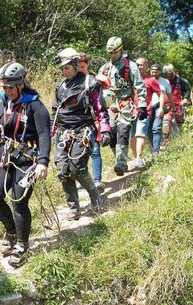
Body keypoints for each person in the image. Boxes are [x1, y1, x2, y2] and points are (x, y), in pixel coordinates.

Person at [0, 62, 51, 268]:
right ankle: (10, 230)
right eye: (4, 87)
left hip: (28, 160)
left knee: (19, 202)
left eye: (10, 87)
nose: (7, 91)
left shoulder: (35, 106)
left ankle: (22, 244)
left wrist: (43, 162)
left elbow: (44, 135)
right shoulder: (3, 104)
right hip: (6, 157)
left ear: (21, 84)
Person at [51, 48, 111, 219]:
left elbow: (101, 109)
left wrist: (105, 129)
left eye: (67, 68)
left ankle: (95, 197)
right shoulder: (60, 87)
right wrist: (47, 136)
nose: (64, 72)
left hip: (84, 131)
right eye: (62, 69)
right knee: (63, 169)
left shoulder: (90, 83)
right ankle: (73, 208)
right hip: (63, 133)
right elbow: (54, 114)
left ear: (76, 65)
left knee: (76, 168)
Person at [98, 36, 147, 176]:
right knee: (112, 136)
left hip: (126, 104)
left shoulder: (130, 66)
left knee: (123, 133)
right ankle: (120, 158)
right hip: (110, 106)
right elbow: (98, 90)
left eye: (114, 52)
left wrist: (142, 105)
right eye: (110, 53)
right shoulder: (105, 69)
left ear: (121, 50)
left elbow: (140, 86)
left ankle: (121, 163)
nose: (112, 55)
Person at [78, 52, 105, 193]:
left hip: (93, 121)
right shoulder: (72, 83)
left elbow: (101, 104)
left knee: (95, 150)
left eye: (82, 66)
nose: (80, 69)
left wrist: (102, 123)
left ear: (87, 65)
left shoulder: (94, 81)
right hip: (77, 123)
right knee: (82, 152)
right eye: (78, 67)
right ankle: (85, 180)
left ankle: (97, 180)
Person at [130, 58, 164, 167]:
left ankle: (139, 157)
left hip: (145, 111)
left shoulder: (150, 80)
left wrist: (161, 107)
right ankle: (137, 158)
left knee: (140, 133)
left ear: (146, 67)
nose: (138, 67)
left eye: (141, 65)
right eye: (137, 65)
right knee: (132, 138)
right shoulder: (131, 79)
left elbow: (161, 93)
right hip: (131, 112)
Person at [150, 63, 175, 156]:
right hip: (148, 107)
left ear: (159, 72)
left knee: (156, 128)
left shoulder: (165, 82)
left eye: (156, 71)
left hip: (159, 107)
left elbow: (170, 96)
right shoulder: (146, 80)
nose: (154, 73)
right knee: (149, 129)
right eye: (152, 71)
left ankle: (155, 151)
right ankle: (152, 147)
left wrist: (174, 108)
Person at [162, 64, 191, 130]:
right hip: (167, 106)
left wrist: (185, 99)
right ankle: (167, 140)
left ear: (172, 72)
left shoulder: (181, 81)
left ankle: (182, 138)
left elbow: (187, 90)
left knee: (181, 126)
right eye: (165, 74)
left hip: (179, 106)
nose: (166, 76)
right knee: (165, 125)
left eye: (168, 74)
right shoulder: (163, 81)